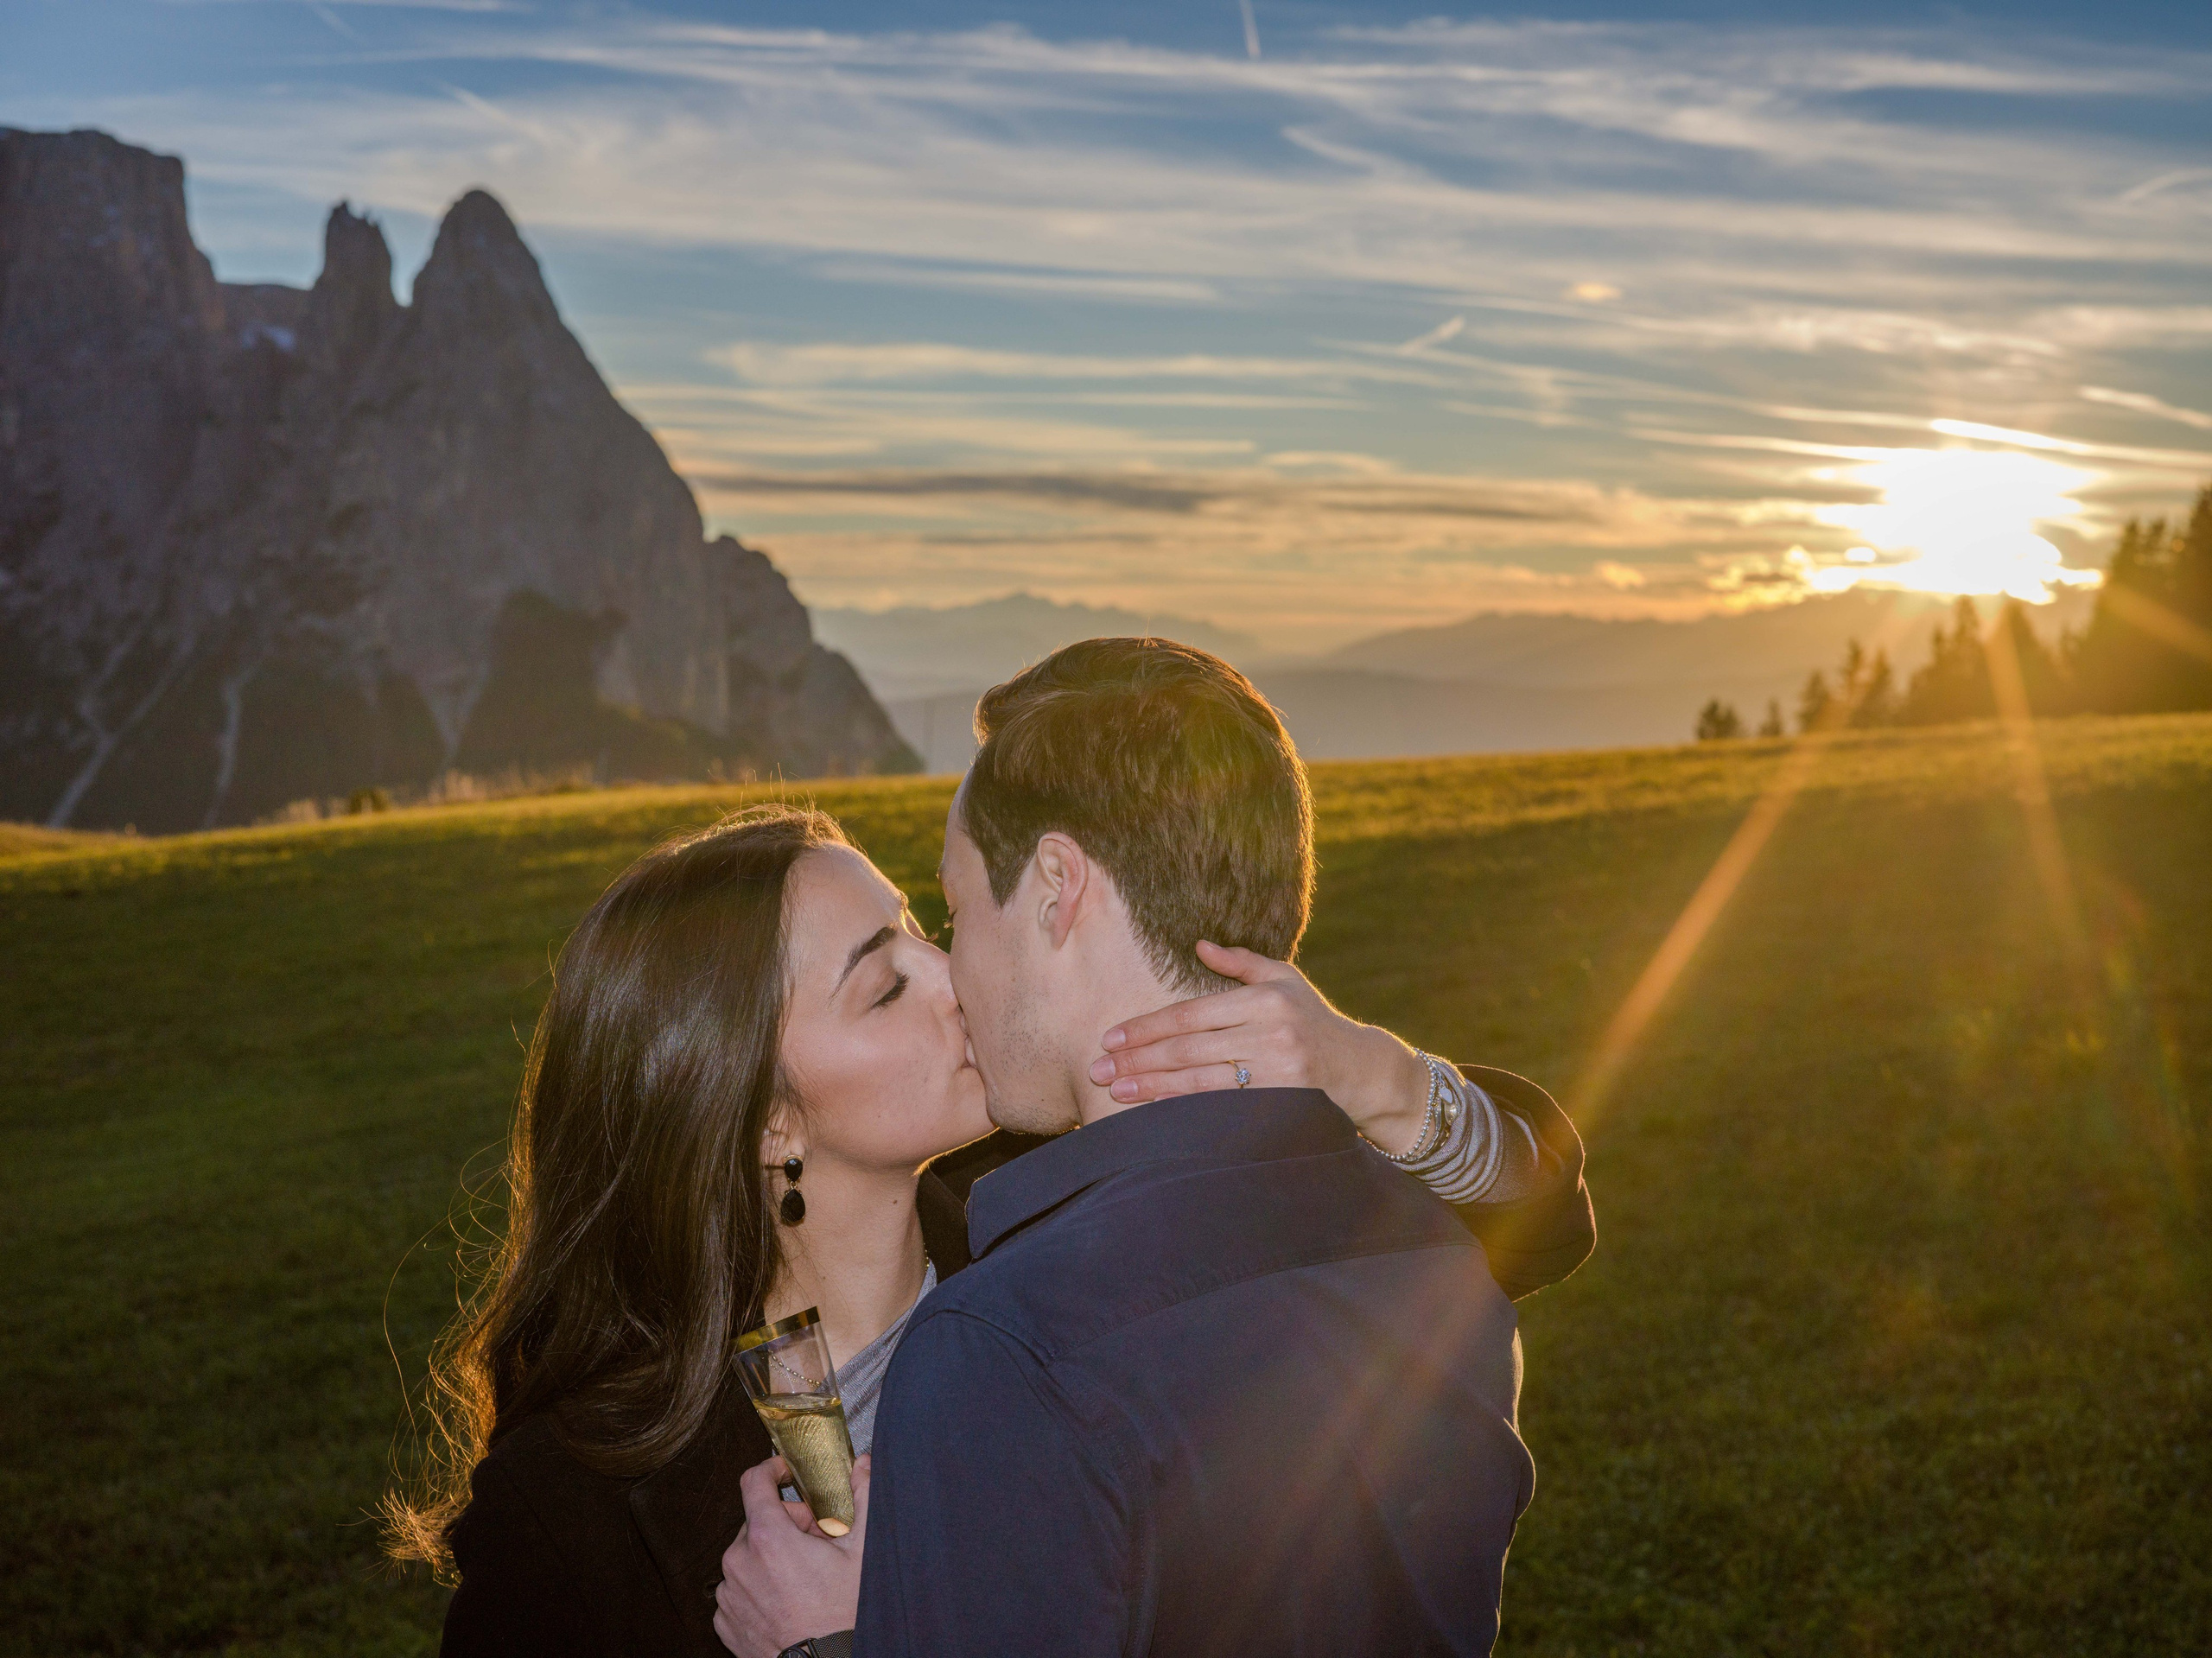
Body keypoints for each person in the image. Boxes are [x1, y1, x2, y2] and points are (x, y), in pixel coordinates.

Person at [388, 795, 1592, 1655]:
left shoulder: (1083, 1200)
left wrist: (1374, 1076)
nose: (953, 970)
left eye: (920, 923)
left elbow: (1533, 1225)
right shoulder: (575, 1503)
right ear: (765, 1122)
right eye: (882, 980)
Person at [715, 638, 1570, 1658]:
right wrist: (1383, 1079)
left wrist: (828, 1645)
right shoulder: (1435, 1245)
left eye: (954, 909)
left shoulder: (1003, 1349)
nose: (953, 969)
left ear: (1055, 886)